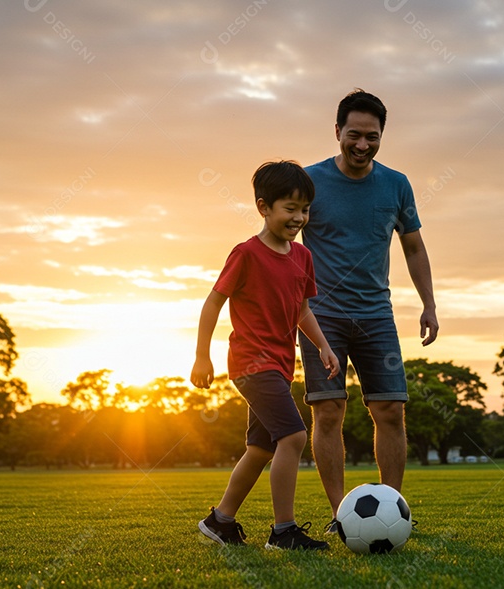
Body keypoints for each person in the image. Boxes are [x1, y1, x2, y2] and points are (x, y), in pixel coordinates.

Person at [298, 89, 438, 533]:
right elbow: (281, 238)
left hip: (378, 316)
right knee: (330, 411)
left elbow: (413, 246)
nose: (362, 145)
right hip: (322, 318)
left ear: (382, 137)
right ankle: (341, 516)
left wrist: (429, 304)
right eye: (353, 135)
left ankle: (394, 511)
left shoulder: (396, 184)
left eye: (372, 137)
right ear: (337, 131)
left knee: (391, 411)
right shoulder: (307, 182)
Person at [192, 160, 340, 550]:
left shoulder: (303, 258)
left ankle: (220, 521)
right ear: (264, 207)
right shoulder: (246, 254)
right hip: (250, 364)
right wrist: (201, 356)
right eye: (290, 208)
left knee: (261, 448)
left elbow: (302, 310)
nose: (299, 217)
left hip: (278, 365)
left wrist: (324, 345)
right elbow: (213, 303)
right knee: (293, 436)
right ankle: (283, 531)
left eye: (305, 209)